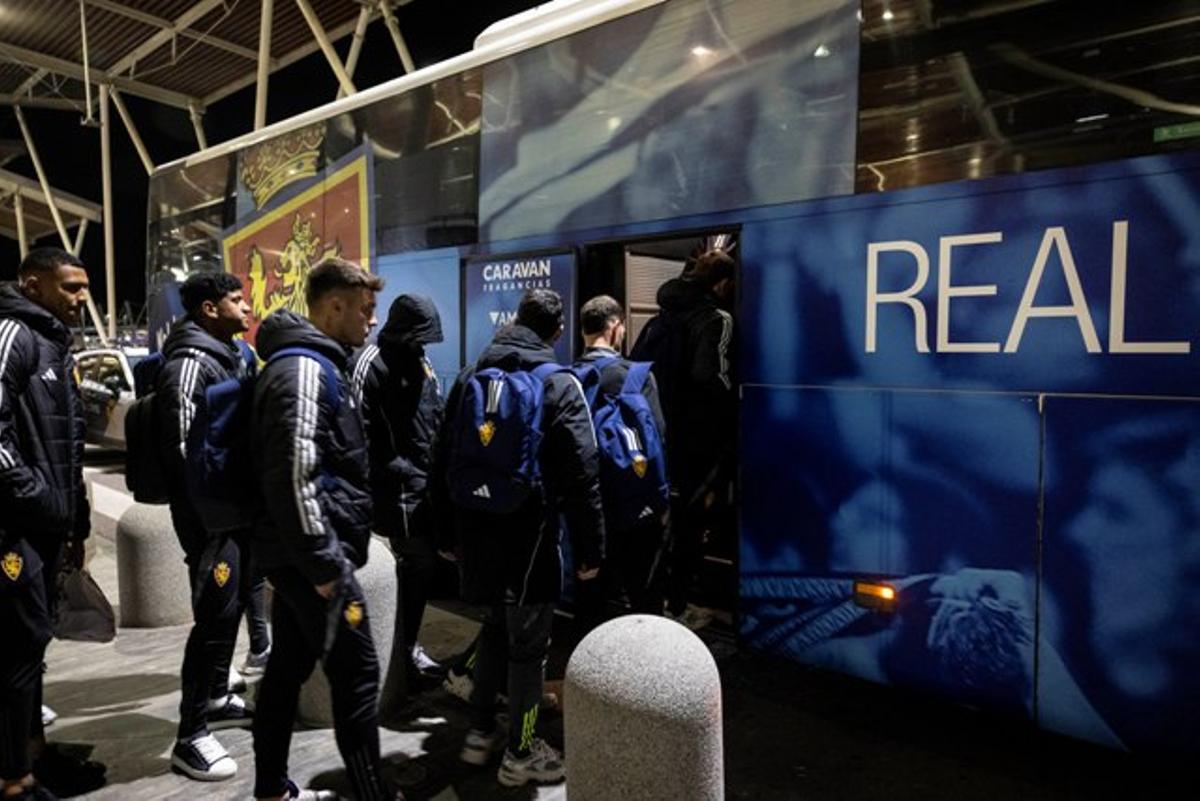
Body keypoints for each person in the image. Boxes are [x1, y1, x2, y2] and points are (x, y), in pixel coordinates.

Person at [250, 257, 402, 801]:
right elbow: (295, 474)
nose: (371, 321)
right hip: (315, 563)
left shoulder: (309, 364)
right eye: (365, 309)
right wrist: (326, 568)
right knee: (358, 676)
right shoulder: (307, 370)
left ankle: (270, 788)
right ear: (333, 305)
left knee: (287, 669)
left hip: (297, 559)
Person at [441, 288, 605, 787]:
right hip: (531, 534)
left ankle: (480, 733)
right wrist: (591, 550)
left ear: (515, 321)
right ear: (557, 332)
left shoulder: (472, 375)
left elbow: (440, 454)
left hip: (476, 528)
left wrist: (448, 534)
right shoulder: (559, 382)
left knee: (494, 627)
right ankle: (522, 748)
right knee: (529, 649)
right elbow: (583, 474)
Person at [0, 247, 104, 801]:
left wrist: (74, 521)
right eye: (69, 287)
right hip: (13, 529)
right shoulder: (13, 335)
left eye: (85, 286)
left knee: (33, 644)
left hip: (44, 525)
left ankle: (34, 757)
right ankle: (15, 779)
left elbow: (66, 447)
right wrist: (36, 497)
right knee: (17, 649)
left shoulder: (53, 343)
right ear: (32, 284)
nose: (81, 297)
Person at [156, 271, 256, 781]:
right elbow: (180, 452)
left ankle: (216, 694)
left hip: (232, 514)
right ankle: (190, 735)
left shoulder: (230, 356)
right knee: (213, 620)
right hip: (211, 520)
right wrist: (216, 518)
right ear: (208, 310)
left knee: (232, 609)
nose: (248, 306)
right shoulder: (190, 364)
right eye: (237, 300)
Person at [631, 248, 736, 629]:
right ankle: (677, 607)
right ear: (723, 283)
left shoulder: (660, 319)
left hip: (656, 438)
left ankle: (651, 600)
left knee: (661, 524)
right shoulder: (716, 319)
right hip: (696, 445)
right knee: (691, 528)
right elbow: (713, 380)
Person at [350, 295, 447, 692]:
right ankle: (398, 649)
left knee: (421, 568)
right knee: (416, 562)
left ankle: (405, 645)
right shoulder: (370, 363)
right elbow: (356, 430)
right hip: (393, 487)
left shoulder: (421, 359)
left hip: (423, 482)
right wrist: (387, 473)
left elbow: (433, 412)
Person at [571, 295, 668, 636]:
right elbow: (657, 438)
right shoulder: (638, 376)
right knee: (644, 595)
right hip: (636, 505)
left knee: (590, 597)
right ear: (613, 327)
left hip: (589, 509)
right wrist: (662, 501)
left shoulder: (568, 379)